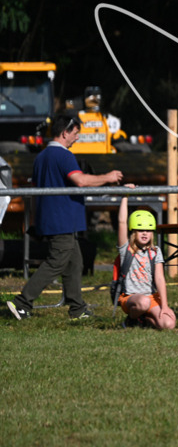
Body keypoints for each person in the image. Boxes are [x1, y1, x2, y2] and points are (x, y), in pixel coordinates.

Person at [7, 114, 122, 321]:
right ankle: (22, 302)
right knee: (57, 262)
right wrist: (108, 177)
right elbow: (81, 181)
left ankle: (77, 308)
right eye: (76, 133)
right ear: (65, 132)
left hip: (50, 219)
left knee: (75, 261)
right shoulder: (64, 156)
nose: (77, 138)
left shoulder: (41, 157)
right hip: (61, 220)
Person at [116, 188, 176, 329]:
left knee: (168, 324)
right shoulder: (126, 249)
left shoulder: (155, 251)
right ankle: (131, 320)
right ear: (133, 231)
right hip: (131, 298)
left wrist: (165, 306)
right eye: (140, 230)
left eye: (148, 230)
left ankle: (144, 319)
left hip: (151, 297)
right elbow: (122, 222)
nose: (145, 233)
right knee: (142, 302)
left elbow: (160, 278)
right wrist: (125, 196)